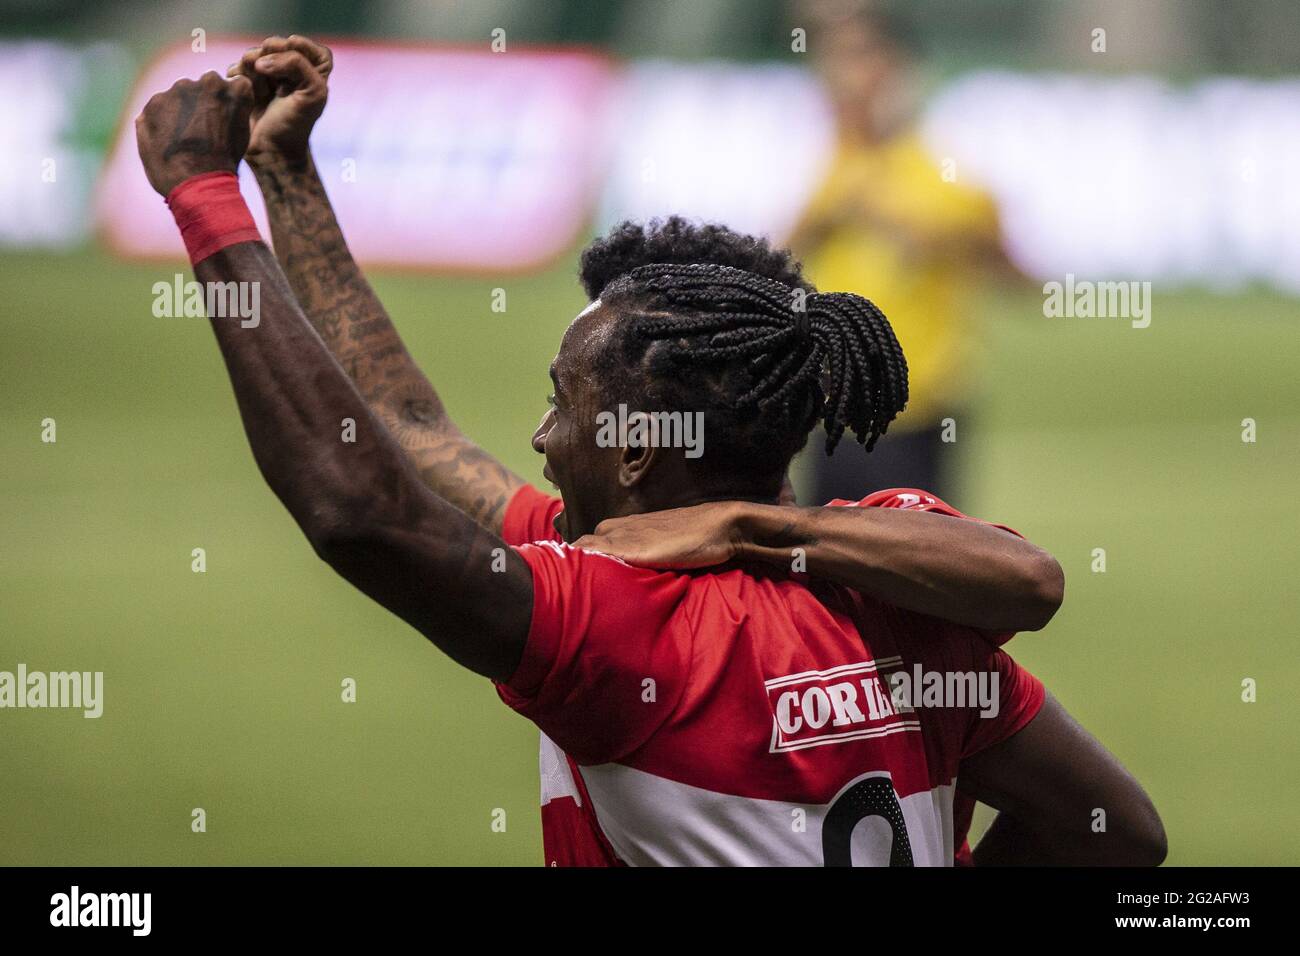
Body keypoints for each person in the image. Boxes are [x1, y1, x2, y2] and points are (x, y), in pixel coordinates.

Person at [131, 36, 1165, 866]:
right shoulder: (904, 590)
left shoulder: (614, 613)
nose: (537, 440)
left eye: (559, 408)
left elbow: (362, 505)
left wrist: (205, 201)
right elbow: (1117, 828)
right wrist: (286, 172)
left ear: (635, 455)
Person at [790, 5, 1014, 503]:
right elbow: (775, 266)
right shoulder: (825, 168)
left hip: (918, 415)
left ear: (897, 69)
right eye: (834, 60)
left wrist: (949, 241)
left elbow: (1022, 279)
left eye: (859, 58)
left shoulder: (944, 174)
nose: (843, 77)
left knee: (911, 570)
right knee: (818, 571)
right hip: (833, 411)